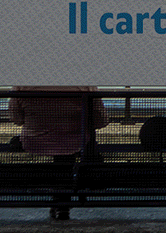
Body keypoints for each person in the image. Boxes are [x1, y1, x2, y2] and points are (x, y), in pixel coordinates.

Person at [8, 86, 108, 220]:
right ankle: (62, 201)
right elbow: (99, 120)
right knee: (69, 145)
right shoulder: (86, 83)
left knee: (61, 146)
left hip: (34, 141)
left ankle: (60, 199)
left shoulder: (22, 83)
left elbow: (16, 118)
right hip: (75, 141)